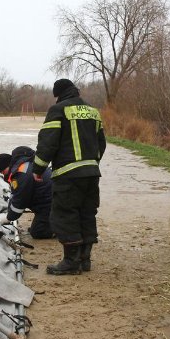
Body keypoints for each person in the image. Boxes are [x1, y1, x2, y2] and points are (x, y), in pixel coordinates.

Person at [32, 78, 106, 275]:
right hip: (91, 173)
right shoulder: (93, 110)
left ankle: (71, 262)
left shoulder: (58, 110)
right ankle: (85, 259)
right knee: (87, 213)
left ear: (58, 94)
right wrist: (91, 164)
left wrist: (37, 169)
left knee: (65, 215)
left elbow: (48, 144)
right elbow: (102, 144)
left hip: (68, 175)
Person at [0, 146, 54, 239]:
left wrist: (8, 218)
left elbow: (20, 201)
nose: (3, 174)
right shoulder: (21, 167)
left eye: (3, 171)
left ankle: (61, 228)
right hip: (49, 199)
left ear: (8, 165)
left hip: (51, 202)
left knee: (38, 232)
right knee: (37, 227)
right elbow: (14, 195)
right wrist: (10, 212)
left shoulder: (21, 174)